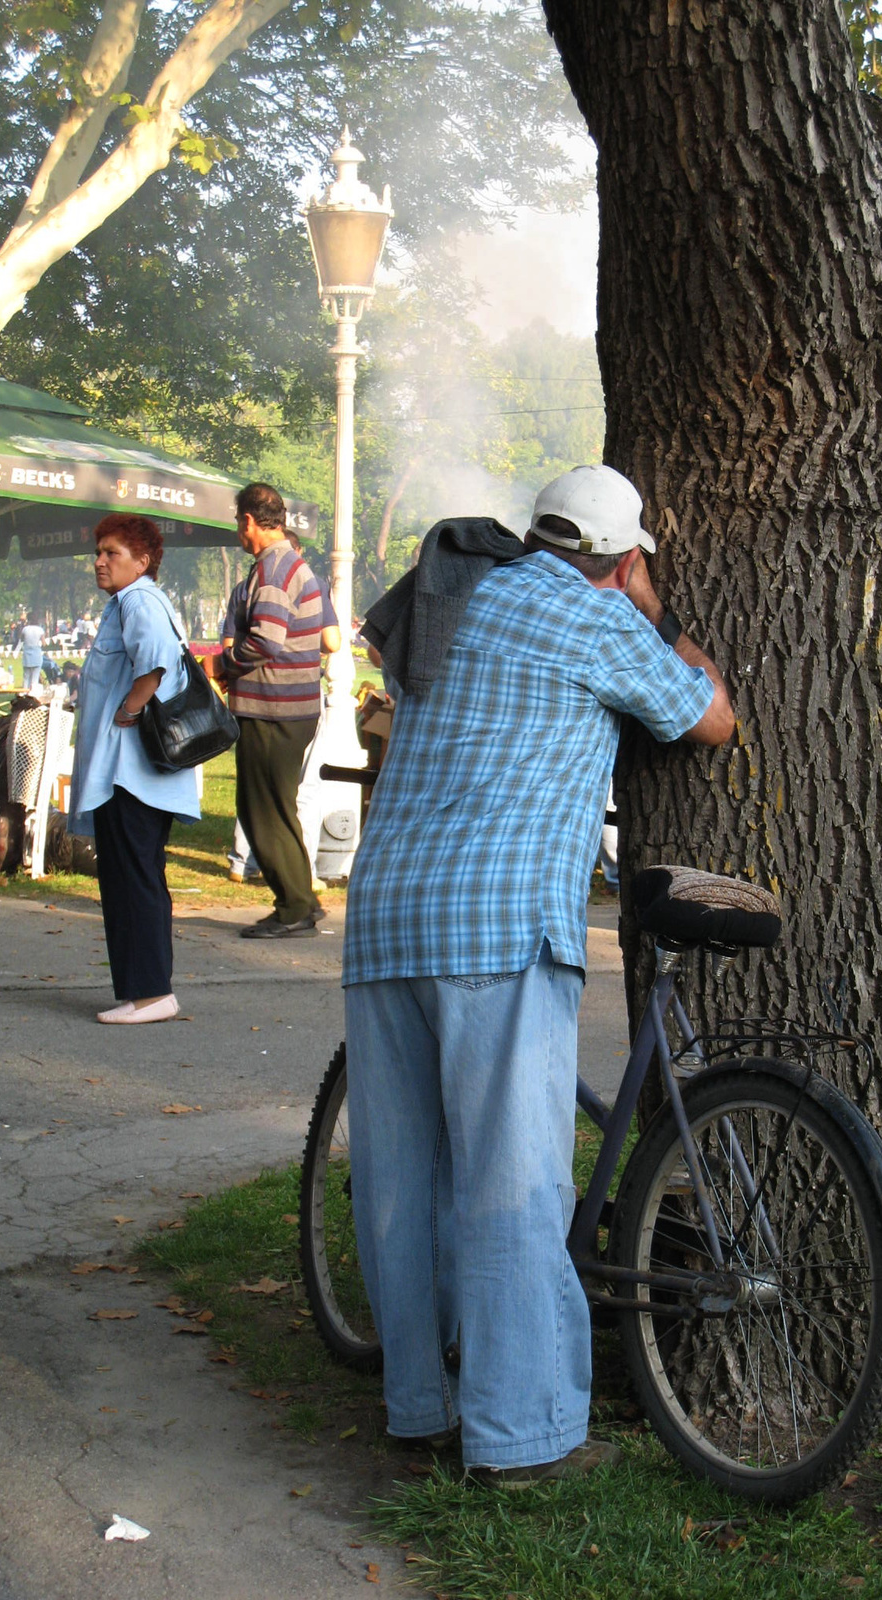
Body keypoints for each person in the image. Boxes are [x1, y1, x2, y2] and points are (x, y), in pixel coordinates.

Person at [342, 464, 734, 1484]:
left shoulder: (457, 594)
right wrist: (654, 608)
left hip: (386, 915)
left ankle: (417, 1405)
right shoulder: (598, 622)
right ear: (620, 555)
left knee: (400, 1177)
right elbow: (713, 717)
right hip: (496, 925)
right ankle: (520, 1434)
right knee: (510, 1181)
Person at [68, 513, 200, 1024]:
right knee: (127, 878)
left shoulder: (139, 599)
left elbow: (157, 660)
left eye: (112, 553)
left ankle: (151, 994)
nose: (100, 562)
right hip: (126, 772)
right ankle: (138, 990)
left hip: (132, 772)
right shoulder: (129, 602)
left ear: (141, 562)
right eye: (98, 552)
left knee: (136, 878)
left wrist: (129, 708)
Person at [210, 483, 326, 937]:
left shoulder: (274, 569)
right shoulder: (288, 564)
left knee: (261, 810)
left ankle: (294, 907)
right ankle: (301, 900)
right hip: (288, 707)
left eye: (239, 524)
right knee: (277, 809)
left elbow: (265, 641)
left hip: (274, 709)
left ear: (249, 522)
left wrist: (219, 664)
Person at [223, 547, 340, 885]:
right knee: (301, 790)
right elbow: (331, 641)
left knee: (255, 789)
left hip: (251, 699)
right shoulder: (310, 581)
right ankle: (300, 879)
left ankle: (242, 861)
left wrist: (228, 663)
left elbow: (231, 642)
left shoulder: (246, 585)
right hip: (295, 699)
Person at [19, 616, 45, 690]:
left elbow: (21, 639)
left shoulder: (25, 629)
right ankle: (33, 693)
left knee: (26, 676)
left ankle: (25, 691)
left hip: (27, 653)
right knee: (35, 677)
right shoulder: (40, 630)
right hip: (36, 653)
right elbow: (44, 643)